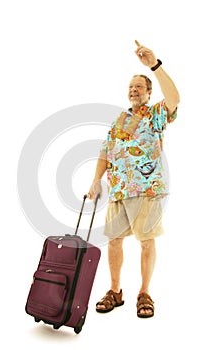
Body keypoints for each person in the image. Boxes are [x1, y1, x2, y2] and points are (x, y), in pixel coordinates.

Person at [87, 40, 180, 318]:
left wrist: (154, 65)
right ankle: (115, 291)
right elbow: (106, 150)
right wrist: (95, 180)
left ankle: (144, 293)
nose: (133, 90)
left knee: (146, 241)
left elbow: (175, 98)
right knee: (114, 241)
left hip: (147, 190)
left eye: (139, 86)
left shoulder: (155, 115)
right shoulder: (119, 120)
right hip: (118, 191)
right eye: (130, 87)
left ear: (149, 92)